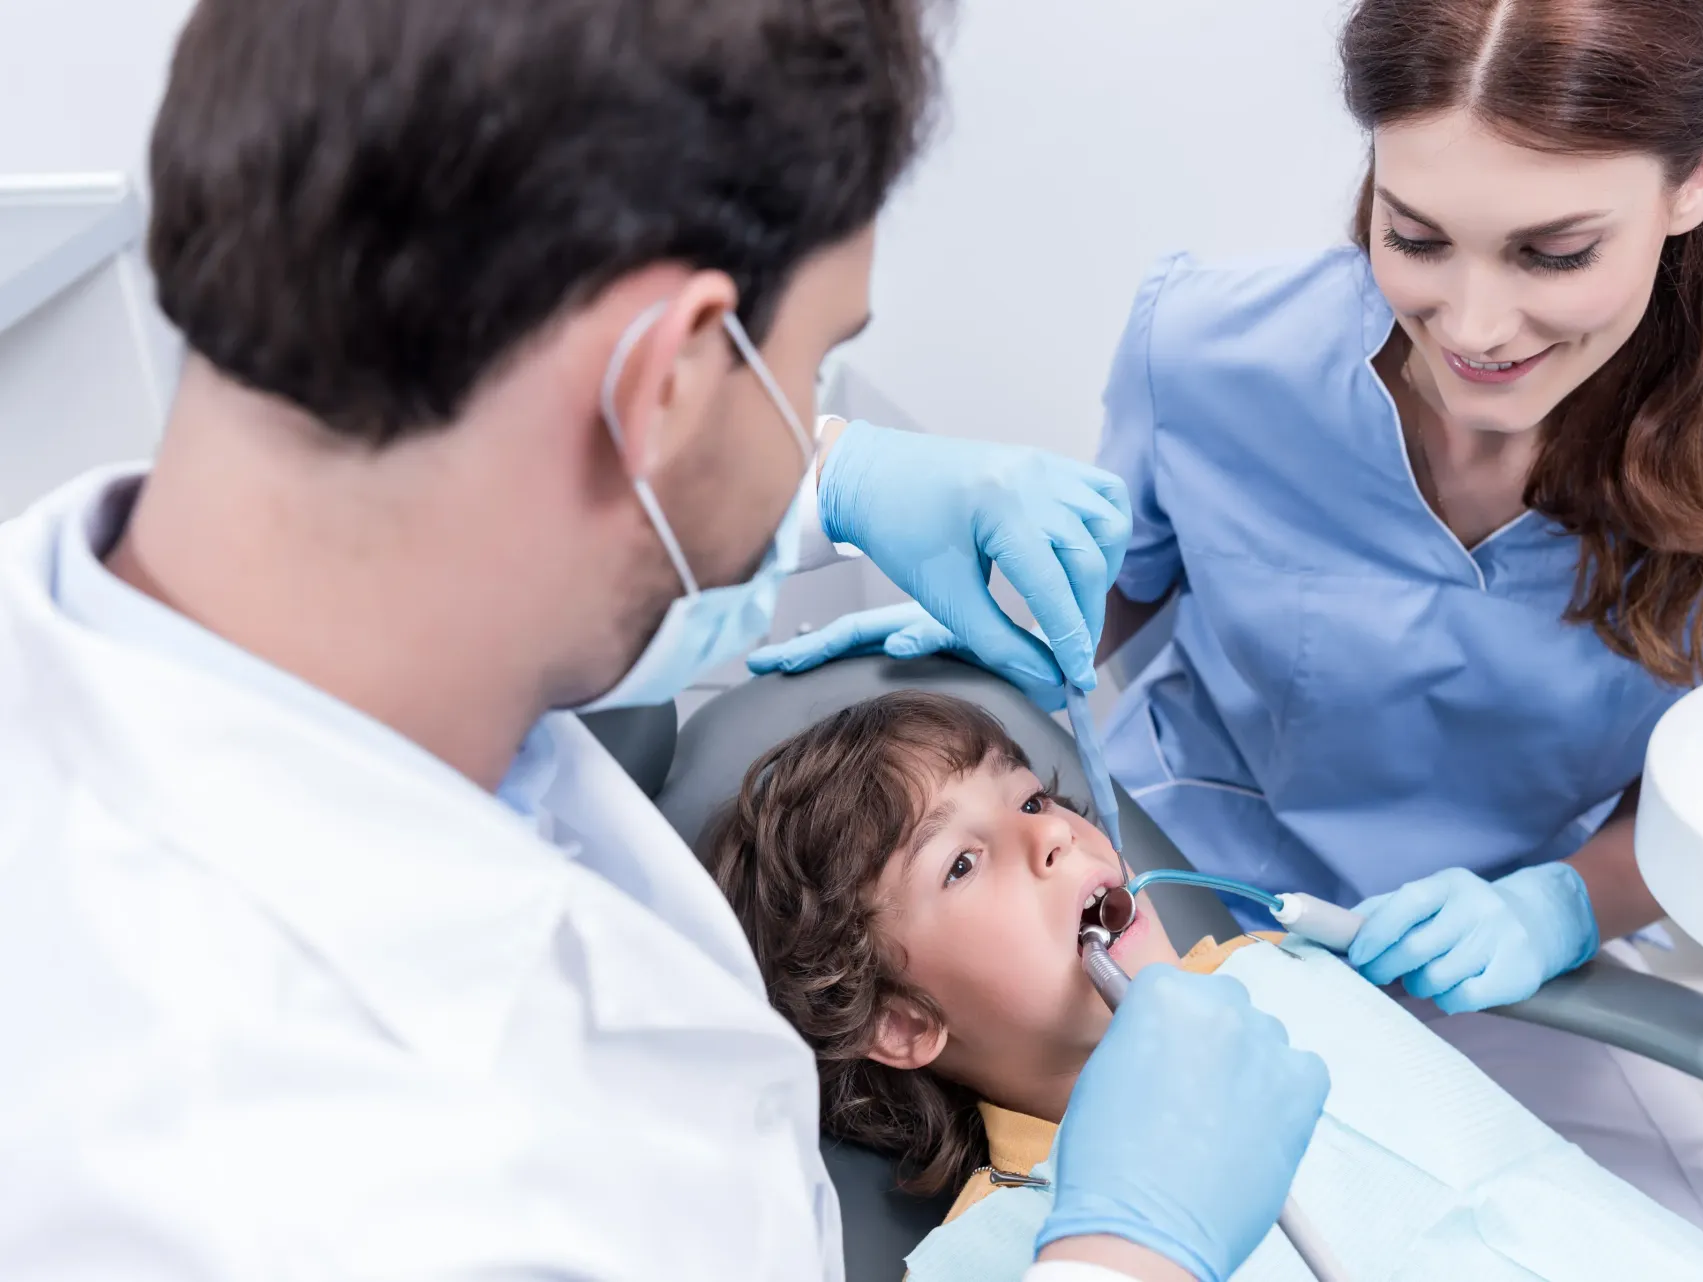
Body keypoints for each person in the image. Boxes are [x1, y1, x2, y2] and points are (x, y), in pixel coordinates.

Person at [0, 2, 1327, 1279]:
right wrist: (1125, 1254)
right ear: (670, 382)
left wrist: (828, 480)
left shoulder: (236, 562)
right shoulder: (279, 1194)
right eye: (806, 378)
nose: (809, 422)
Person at [751, 0, 1703, 1258]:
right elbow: (1107, 597)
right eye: (1414, 237)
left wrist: (1556, 908)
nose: (1472, 326)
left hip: (1503, 966)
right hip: (1198, 903)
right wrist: (978, 623)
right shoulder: (1211, 349)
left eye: (1553, 254)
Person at [708, 689, 1703, 1282]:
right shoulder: (1009, 1257)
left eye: (1034, 800)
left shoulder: (1285, 974)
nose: (1049, 838)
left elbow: (1582, 1218)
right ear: (903, 1022)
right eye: (962, 861)